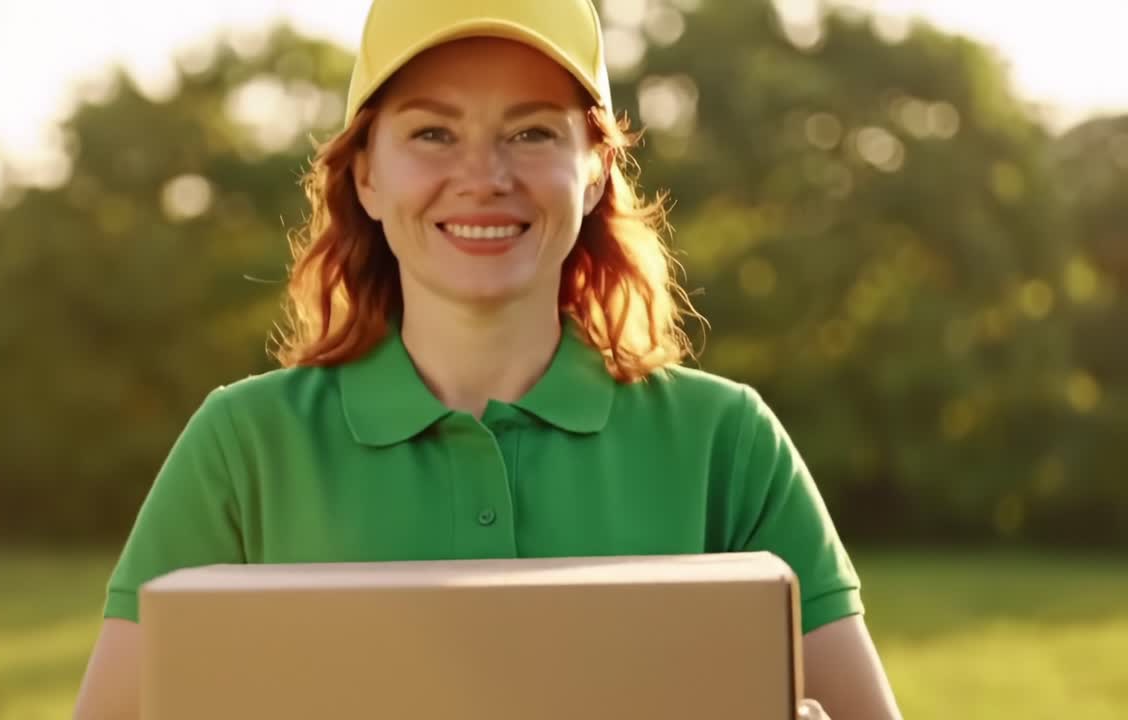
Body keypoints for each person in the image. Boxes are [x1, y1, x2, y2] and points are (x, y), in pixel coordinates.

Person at [74, 0, 903, 718]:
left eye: (532, 131)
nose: (483, 175)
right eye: (433, 131)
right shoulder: (242, 446)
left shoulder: (727, 442)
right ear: (364, 174)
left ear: (595, 172)